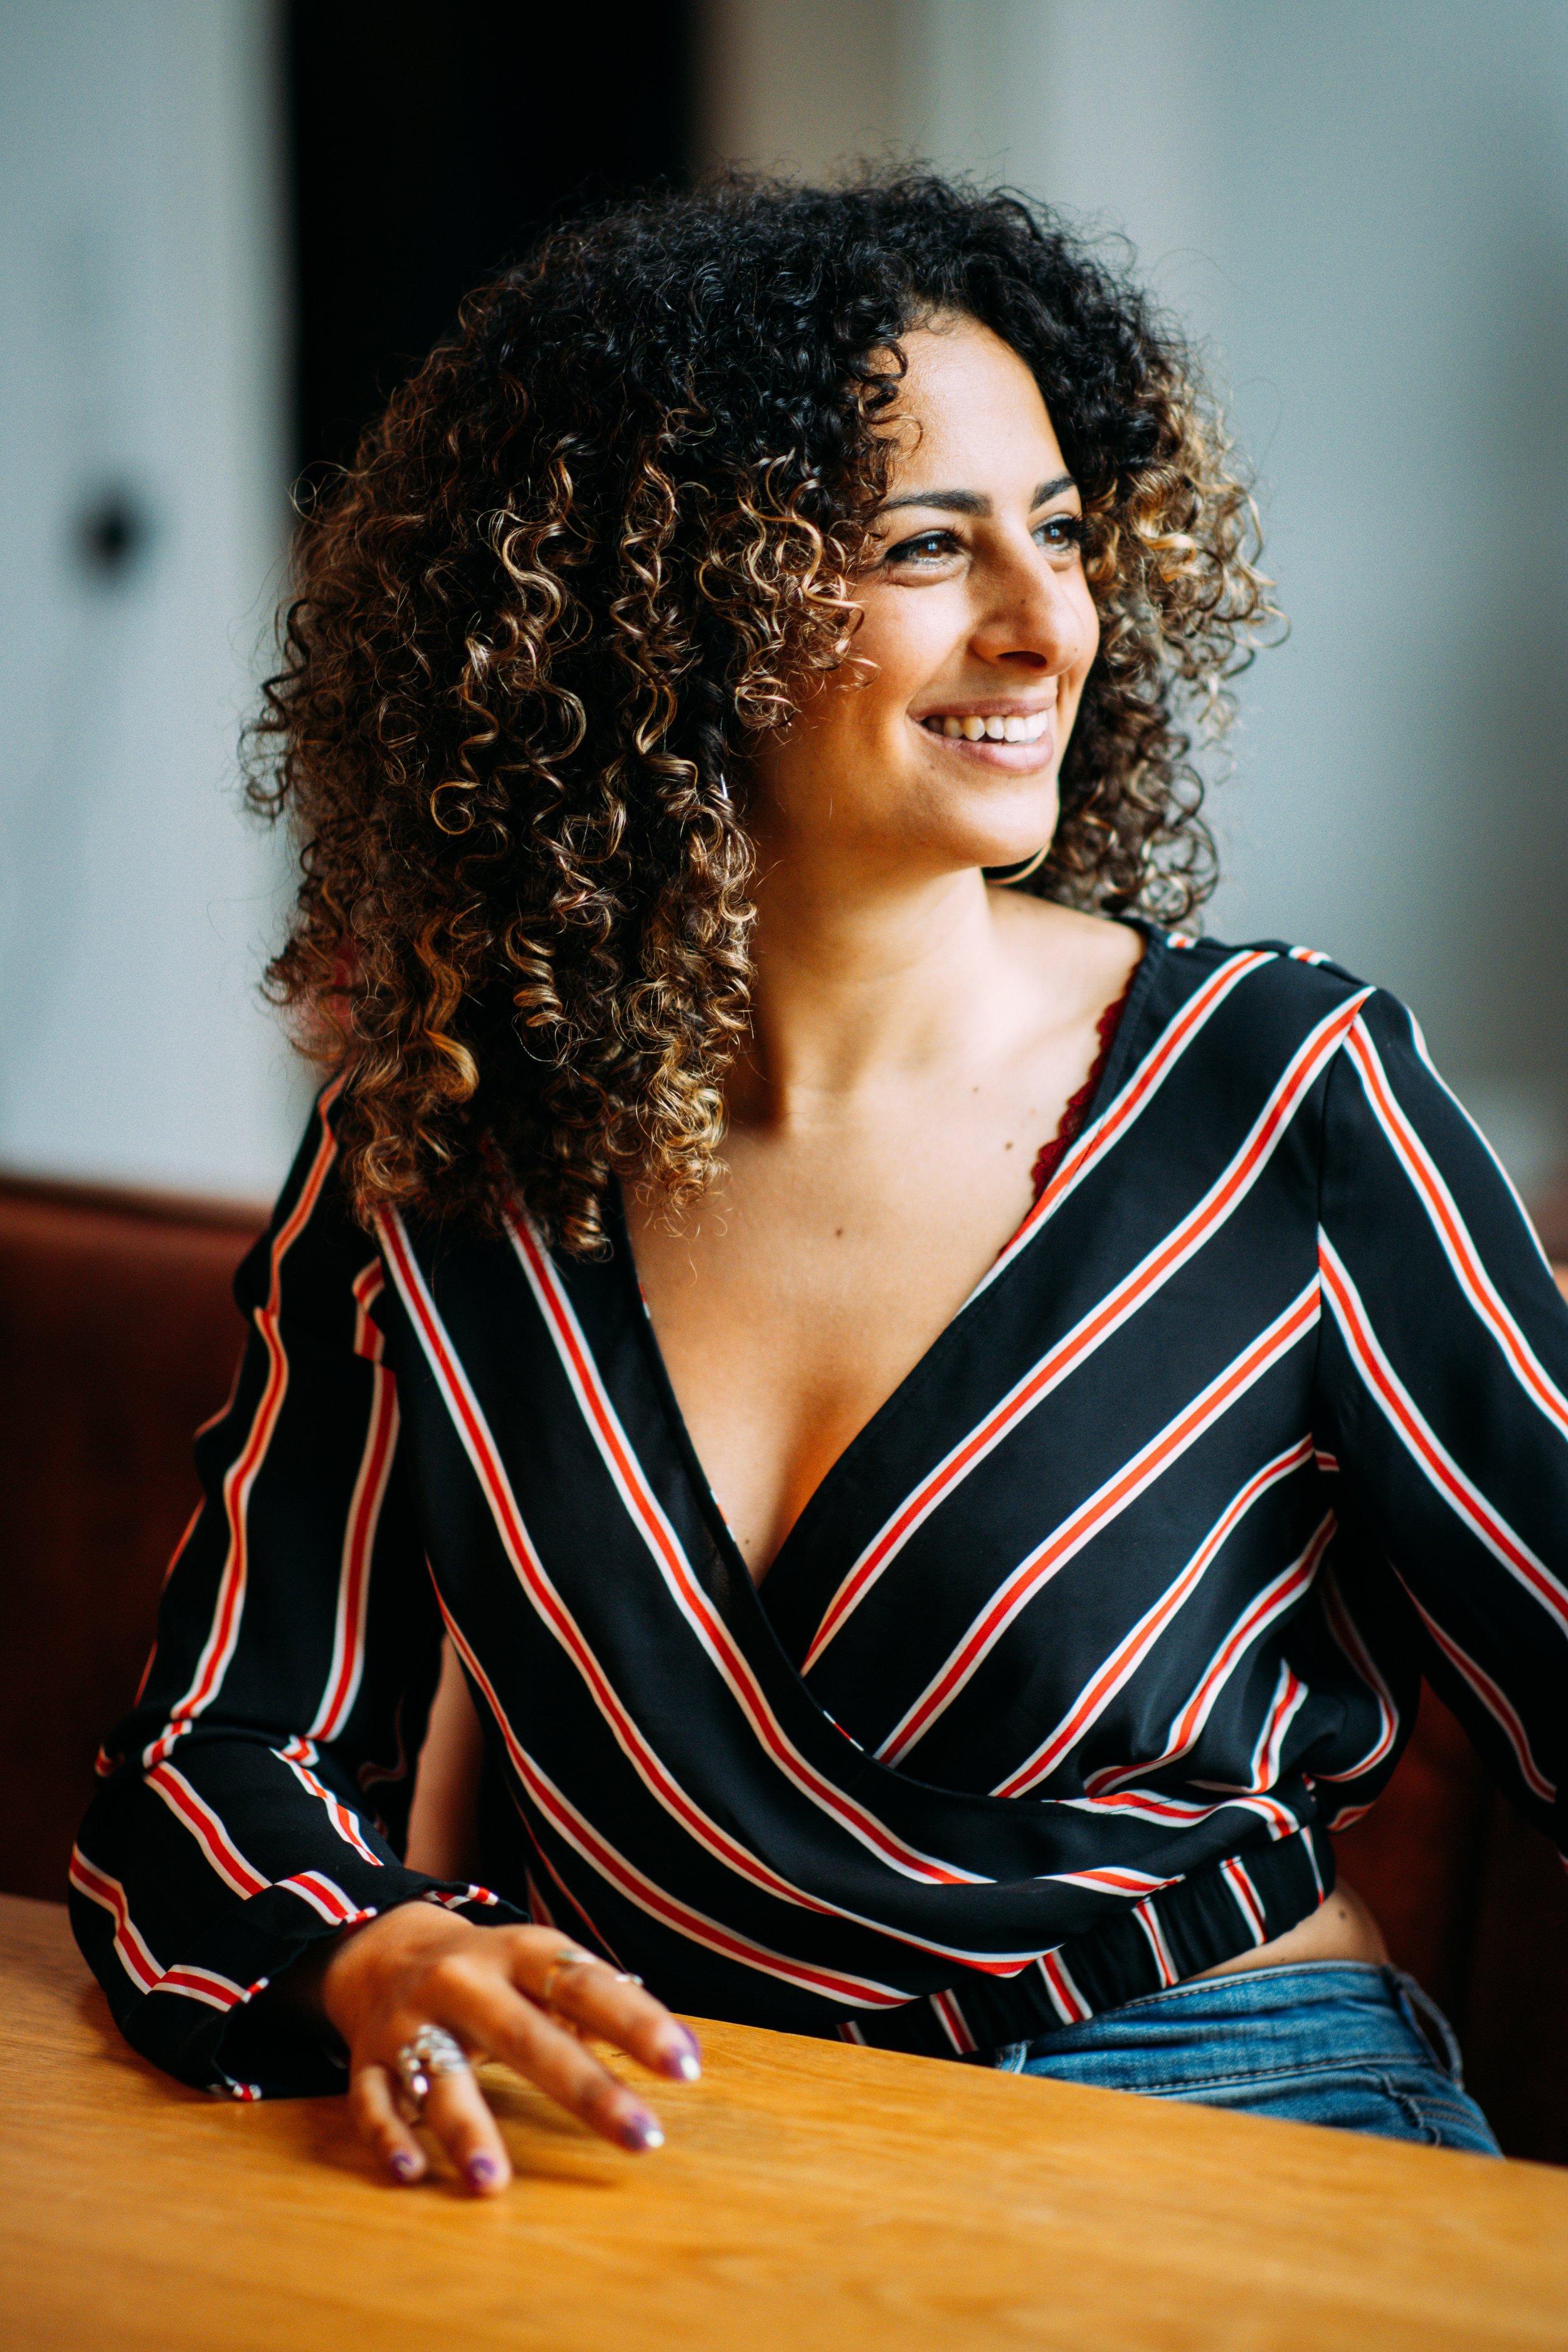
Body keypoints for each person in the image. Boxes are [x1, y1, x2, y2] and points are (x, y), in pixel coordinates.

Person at [73, 177, 1564, 2191]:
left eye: (1056, 529)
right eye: (924, 548)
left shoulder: (1280, 1094)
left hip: (1235, 2115)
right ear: (658, 610)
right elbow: (209, 1762)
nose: (1045, 623)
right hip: (672, 2142)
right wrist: (371, 1952)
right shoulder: (435, 1154)